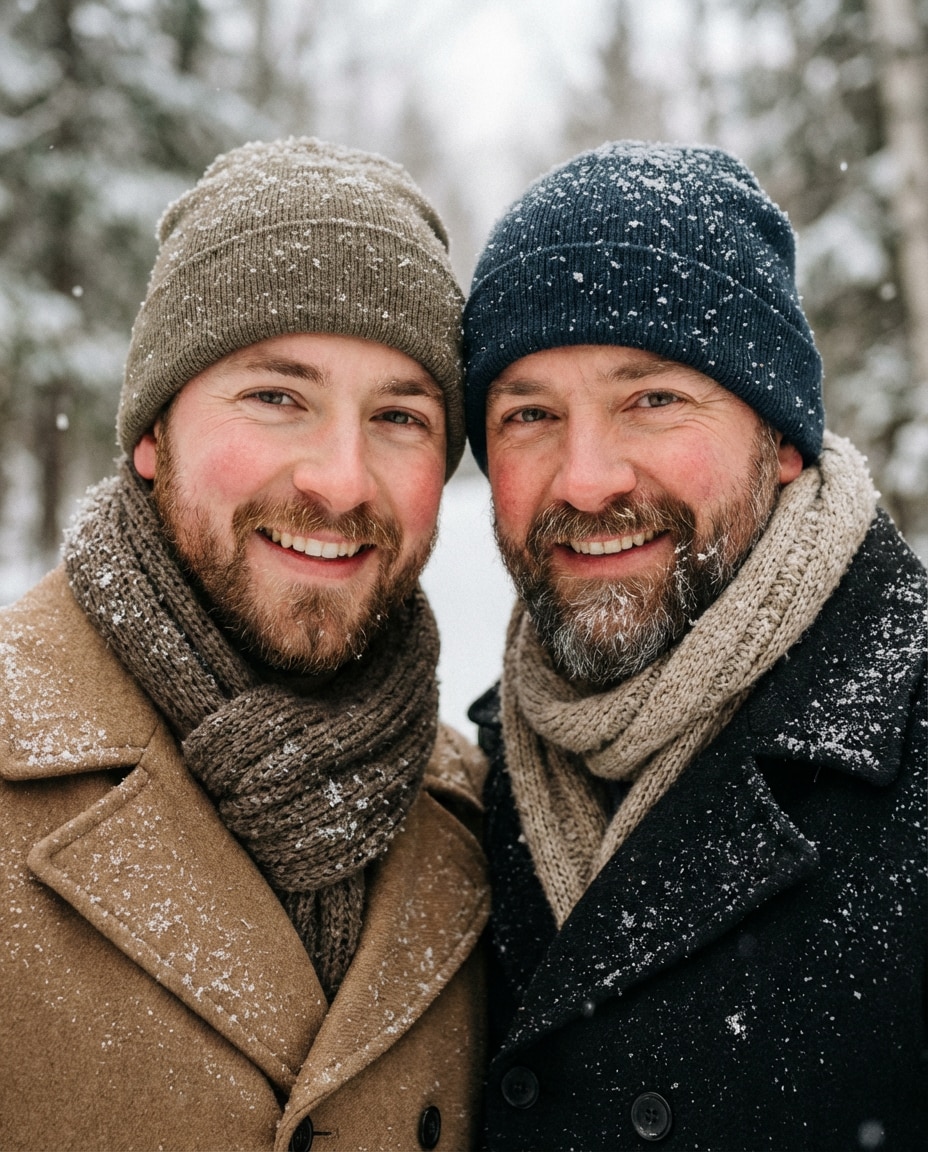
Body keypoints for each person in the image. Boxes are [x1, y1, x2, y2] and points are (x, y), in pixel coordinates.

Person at [0, 138, 489, 1152]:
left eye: (400, 416)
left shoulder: (482, 818)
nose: (340, 481)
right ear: (152, 432)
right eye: (277, 397)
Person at [463, 141, 927, 1151]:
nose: (586, 479)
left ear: (783, 437)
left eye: (654, 399)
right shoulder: (473, 792)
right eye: (529, 414)